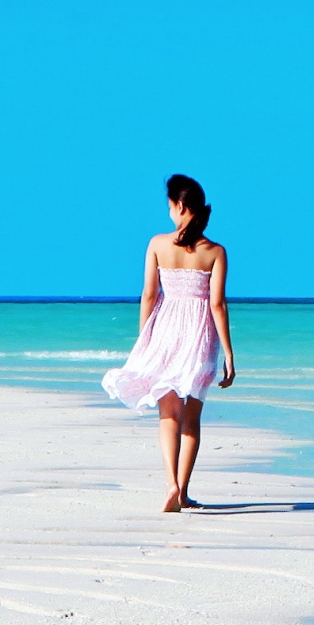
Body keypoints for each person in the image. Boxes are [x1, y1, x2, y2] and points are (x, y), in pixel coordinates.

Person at [102, 174, 236, 511]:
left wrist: (144, 338)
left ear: (180, 206)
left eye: (170, 207)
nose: (170, 213)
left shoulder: (158, 244)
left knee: (168, 414)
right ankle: (184, 491)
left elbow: (149, 295)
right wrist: (229, 354)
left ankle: (171, 485)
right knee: (192, 418)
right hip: (199, 335)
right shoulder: (215, 252)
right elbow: (217, 305)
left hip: (165, 331)